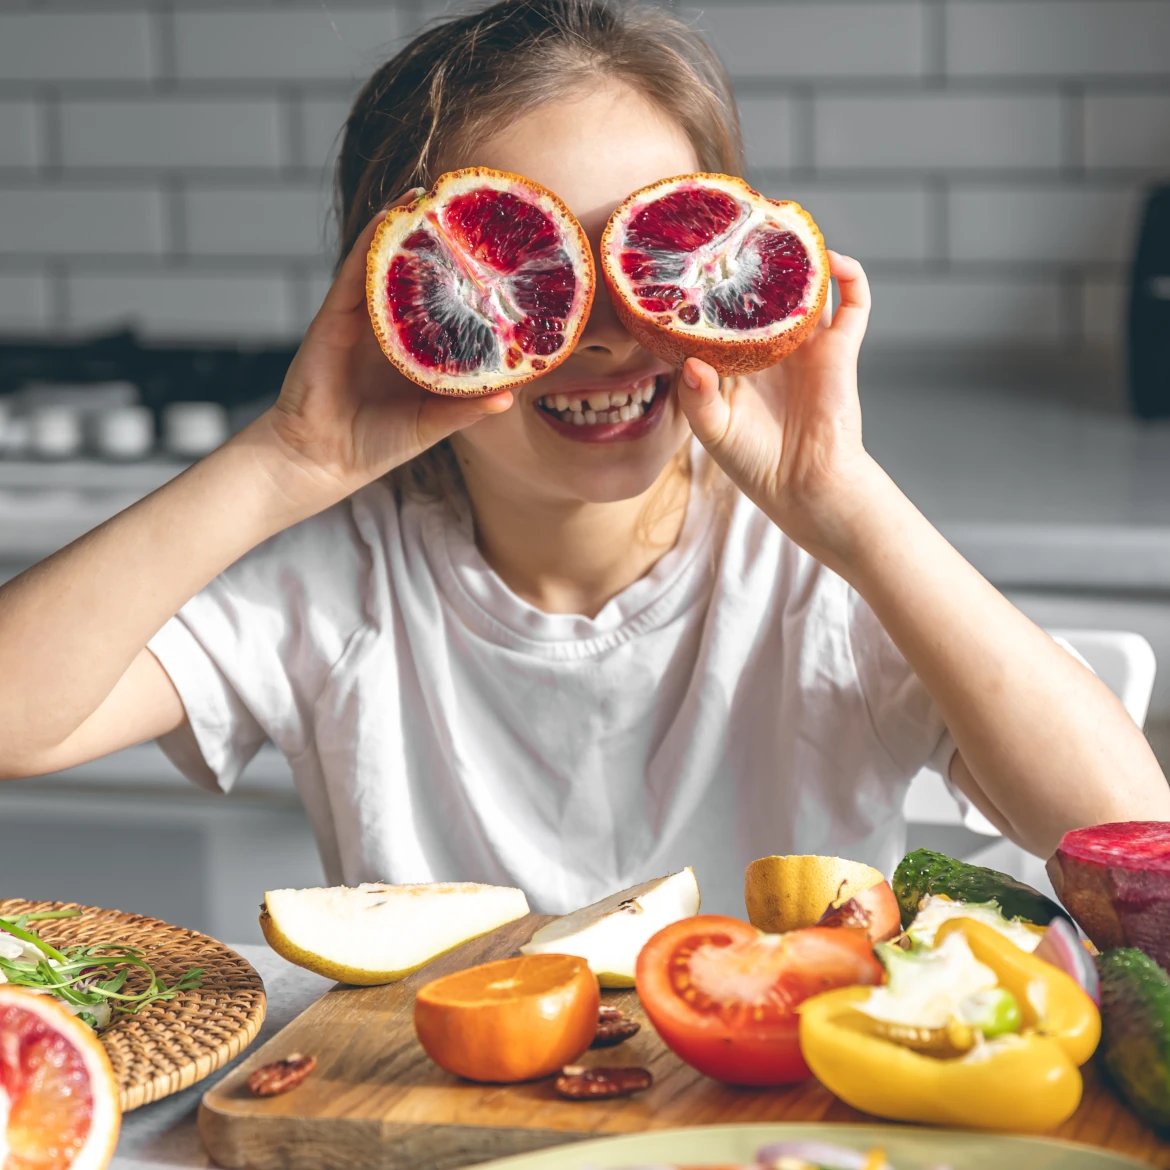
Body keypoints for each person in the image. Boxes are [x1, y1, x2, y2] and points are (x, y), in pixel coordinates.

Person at [0, 0, 1166, 916]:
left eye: (647, 251)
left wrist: (851, 508)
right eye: (537, 271)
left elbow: (1128, 843)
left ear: (729, 268)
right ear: (411, 296)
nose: (604, 330)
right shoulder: (340, 589)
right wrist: (284, 459)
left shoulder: (819, 582)